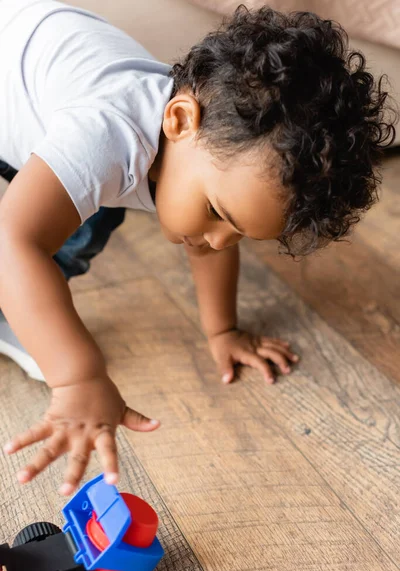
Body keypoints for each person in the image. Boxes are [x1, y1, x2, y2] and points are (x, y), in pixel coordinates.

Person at [0, 0, 395, 496]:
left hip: (32, 82)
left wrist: (222, 330)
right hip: (9, 66)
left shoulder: (196, 148)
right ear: (180, 120)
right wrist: (78, 377)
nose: (216, 239)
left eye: (240, 234)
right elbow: (12, 239)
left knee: (87, 218)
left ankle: (19, 308)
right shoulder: (106, 136)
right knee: (39, 235)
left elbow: (208, 245)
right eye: (216, 212)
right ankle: (21, 311)